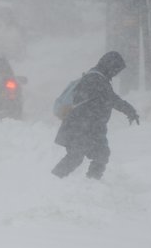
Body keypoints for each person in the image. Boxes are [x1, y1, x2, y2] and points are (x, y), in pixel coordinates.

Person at [52, 51, 139, 180]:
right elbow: (112, 99)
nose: (116, 73)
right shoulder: (96, 79)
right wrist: (129, 110)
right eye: (116, 69)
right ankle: (57, 182)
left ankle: (88, 184)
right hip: (81, 127)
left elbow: (105, 100)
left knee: (94, 155)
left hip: (85, 127)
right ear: (110, 66)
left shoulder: (95, 77)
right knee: (81, 156)